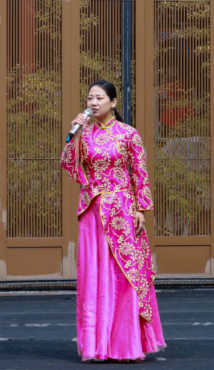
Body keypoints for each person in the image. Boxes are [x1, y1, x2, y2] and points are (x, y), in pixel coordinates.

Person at [60, 80, 166, 362]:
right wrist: (75, 134)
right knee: (94, 274)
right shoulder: (84, 133)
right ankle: (97, 345)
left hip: (122, 208)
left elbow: (140, 173)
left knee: (124, 273)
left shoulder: (128, 134)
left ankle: (126, 344)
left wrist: (141, 209)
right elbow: (70, 165)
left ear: (114, 102)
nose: (93, 103)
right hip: (92, 210)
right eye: (90, 98)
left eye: (99, 98)